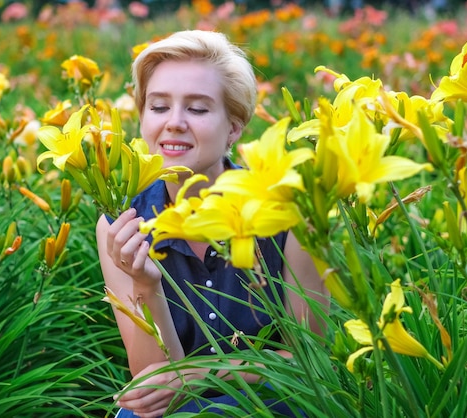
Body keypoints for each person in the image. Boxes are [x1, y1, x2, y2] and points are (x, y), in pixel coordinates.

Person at [96, 30, 328, 418]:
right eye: (158, 107)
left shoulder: (288, 211)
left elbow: (312, 360)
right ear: (140, 120)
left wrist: (199, 373)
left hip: (279, 399)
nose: (173, 123)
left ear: (234, 128)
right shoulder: (120, 225)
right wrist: (145, 283)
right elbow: (151, 380)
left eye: (198, 109)